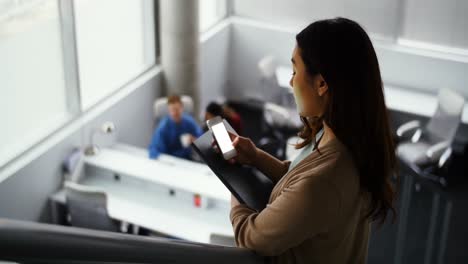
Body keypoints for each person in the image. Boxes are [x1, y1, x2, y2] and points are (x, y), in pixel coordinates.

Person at [216, 18, 397, 263]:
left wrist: (233, 183)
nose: (291, 82)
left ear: (322, 83)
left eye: (294, 71)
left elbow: (252, 238)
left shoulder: (325, 181)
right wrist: (256, 157)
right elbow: (297, 177)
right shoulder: (341, 136)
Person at [148, 95, 203, 160]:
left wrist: (194, 140)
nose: (175, 113)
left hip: (188, 159)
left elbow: (202, 139)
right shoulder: (164, 126)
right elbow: (155, 148)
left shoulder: (189, 122)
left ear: (182, 108)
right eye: (172, 110)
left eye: (177, 109)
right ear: (169, 110)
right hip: (171, 160)